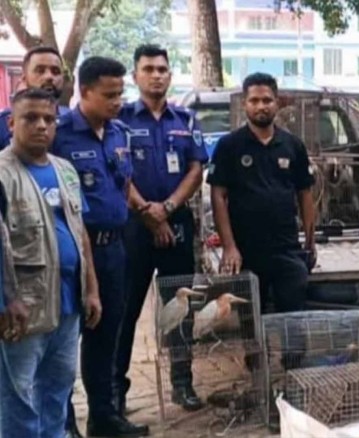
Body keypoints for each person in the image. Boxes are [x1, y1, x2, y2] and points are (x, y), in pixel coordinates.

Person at [51, 56, 149, 437]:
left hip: (113, 250)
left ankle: (103, 417)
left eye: (120, 94)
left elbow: (123, 185)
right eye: (109, 95)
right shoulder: (60, 133)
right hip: (74, 252)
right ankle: (64, 423)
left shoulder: (120, 133)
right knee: (64, 339)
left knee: (106, 334)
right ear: (85, 91)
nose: (117, 101)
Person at [0, 88, 101, 437]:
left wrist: (91, 289)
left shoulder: (66, 170)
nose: (41, 126)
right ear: (12, 122)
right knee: (18, 399)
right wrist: (6, 300)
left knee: (58, 393)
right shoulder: (2, 174)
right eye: (31, 118)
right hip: (23, 310)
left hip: (67, 307)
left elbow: (80, 231)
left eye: (49, 119)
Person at [116, 44, 208, 415]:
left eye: (162, 69)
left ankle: (182, 384)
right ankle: (114, 393)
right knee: (125, 311)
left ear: (170, 75)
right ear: (135, 76)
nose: (156, 75)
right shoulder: (119, 120)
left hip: (178, 224)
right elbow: (117, 173)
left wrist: (167, 209)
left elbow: (196, 171)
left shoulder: (185, 120)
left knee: (181, 307)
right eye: (148, 69)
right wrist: (147, 214)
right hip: (133, 227)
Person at [208, 72, 315, 365]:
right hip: (246, 252)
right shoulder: (230, 146)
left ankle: (292, 375)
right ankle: (258, 382)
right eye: (254, 100)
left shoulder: (293, 145)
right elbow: (219, 196)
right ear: (245, 104)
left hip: (287, 249)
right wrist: (229, 246)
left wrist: (311, 239)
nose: (261, 106)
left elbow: (305, 194)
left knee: (293, 317)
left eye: (267, 100)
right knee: (251, 321)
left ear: (277, 103)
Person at [0, 46, 69, 149]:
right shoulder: (3, 123)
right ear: (24, 78)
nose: (49, 77)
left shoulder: (71, 122)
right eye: (40, 71)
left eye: (55, 72)